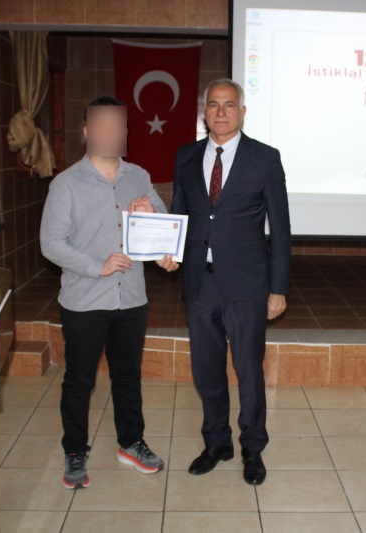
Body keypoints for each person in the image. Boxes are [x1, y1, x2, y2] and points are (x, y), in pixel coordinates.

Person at [156, 79, 291, 486]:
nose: (220, 112)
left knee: (249, 371)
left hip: (248, 286)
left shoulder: (265, 158)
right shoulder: (186, 156)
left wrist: (278, 288)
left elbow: (280, 229)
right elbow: (180, 213)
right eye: (213, 105)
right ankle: (217, 443)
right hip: (200, 284)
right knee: (206, 371)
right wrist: (170, 253)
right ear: (204, 112)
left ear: (242, 112)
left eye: (229, 105)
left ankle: (252, 447)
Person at [40, 96, 167, 490]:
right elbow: (51, 243)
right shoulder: (65, 184)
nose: (113, 133)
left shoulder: (139, 177)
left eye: (119, 126)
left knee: (127, 377)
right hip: (84, 302)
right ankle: (75, 451)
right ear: (87, 132)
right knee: (80, 381)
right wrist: (98, 265)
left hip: (131, 300)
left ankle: (131, 443)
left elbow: (165, 230)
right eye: (104, 126)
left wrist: (152, 217)